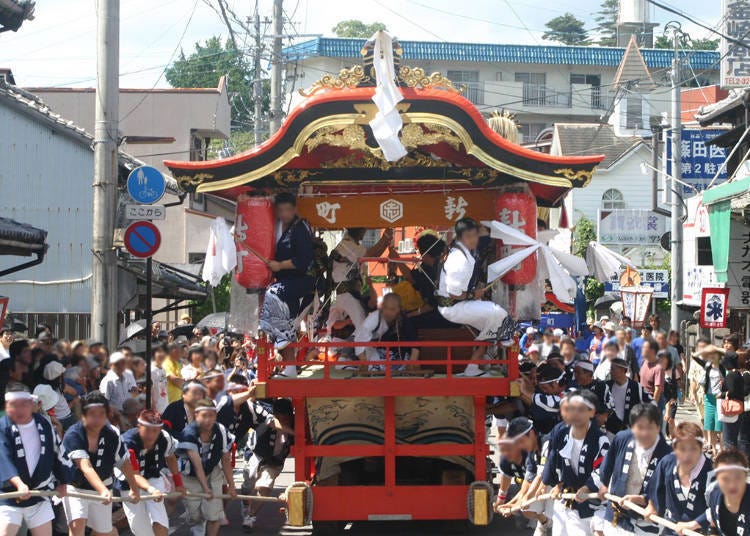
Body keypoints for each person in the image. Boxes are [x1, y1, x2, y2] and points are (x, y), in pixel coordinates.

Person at [580, 403, 671, 536]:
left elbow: (666, 489)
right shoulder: (622, 438)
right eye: (640, 428)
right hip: (618, 510)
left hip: (645, 517)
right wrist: (603, 485)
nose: (645, 433)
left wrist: (649, 502)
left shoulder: (667, 454)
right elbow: (606, 465)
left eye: (650, 428)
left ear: (658, 427)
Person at [436, 218, 510, 376]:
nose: (475, 240)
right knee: (498, 313)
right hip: (452, 307)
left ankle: (473, 367)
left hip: (459, 304)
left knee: (489, 324)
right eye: (471, 236)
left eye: (476, 235)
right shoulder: (458, 259)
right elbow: (453, 293)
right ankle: (503, 342)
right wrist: (473, 294)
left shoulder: (466, 254)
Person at [62, 391, 140, 536]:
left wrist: (134, 488)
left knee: (103, 532)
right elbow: (86, 467)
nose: (97, 418)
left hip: (105, 484)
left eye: (101, 413)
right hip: (76, 488)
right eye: (92, 413)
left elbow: (124, 462)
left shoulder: (112, 434)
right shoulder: (73, 434)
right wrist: (102, 490)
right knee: (77, 526)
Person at [0, 390, 71, 536]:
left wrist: (63, 481)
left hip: (40, 492)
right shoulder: (3, 426)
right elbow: (3, 458)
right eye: (14, 405)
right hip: (10, 493)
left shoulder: (43, 423)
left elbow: (57, 450)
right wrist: (19, 484)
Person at [260, 193, 315, 378]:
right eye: (281, 210)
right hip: (284, 282)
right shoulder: (274, 226)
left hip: (301, 281)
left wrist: (280, 265)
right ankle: (290, 368)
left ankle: (283, 339)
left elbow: (304, 260)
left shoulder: (300, 227)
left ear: (294, 209)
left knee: (273, 295)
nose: (284, 214)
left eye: (288, 210)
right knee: (285, 320)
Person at [542, 390, 610, 536]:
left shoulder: (600, 439)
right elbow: (554, 461)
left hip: (590, 502)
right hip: (566, 499)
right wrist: (557, 485)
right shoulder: (561, 432)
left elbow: (602, 470)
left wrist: (586, 487)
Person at [118, 409, 184, 536]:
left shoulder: (164, 438)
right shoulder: (127, 442)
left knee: (159, 521)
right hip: (129, 483)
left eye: (155, 430)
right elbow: (134, 474)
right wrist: (151, 490)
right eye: (148, 430)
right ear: (139, 426)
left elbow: (170, 457)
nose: (151, 435)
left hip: (153, 478)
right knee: (140, 529)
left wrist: (178, 482)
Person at [176, 399, 237, 536]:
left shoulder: (221, 430)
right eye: (204, 415)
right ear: (196, 415)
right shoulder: (188, 433)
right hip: (190, 475)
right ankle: (198, 523)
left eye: (211, 415)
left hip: (213, 472)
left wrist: (231, 486)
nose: (208, 420)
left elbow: (225, 460)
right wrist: (205, 488)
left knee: (214, 516)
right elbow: (197, 465)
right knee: (195, 515)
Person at [646, 422, 712, 536]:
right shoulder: (667, 463)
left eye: (693, 449)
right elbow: (654, 489)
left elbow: (721, 507)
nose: (687, 455)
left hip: (701, 531)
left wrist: (694, 524)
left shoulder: (712, 472)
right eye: (682, 449)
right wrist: (651, 505)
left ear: (701, 448)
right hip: (672, 527)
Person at [241, 398, 295, 530]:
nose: (283, 421)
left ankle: (250, 516)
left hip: (275, 460)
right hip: (256, 454)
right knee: (248, 485)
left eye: (286, 418)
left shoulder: (296, 422)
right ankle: (246, 504)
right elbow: (250, 404)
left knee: (264, 486)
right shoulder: (264, 416)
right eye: (279, 418)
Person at [327, 228, 392, 331]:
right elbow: (372, 255)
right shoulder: (348, 245)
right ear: (360, 231)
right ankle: (363, 346)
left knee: (358, 324)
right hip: (346, 294)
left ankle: (361, 345)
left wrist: (385, 241)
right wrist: (385, 238)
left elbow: (374, 255)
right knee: (363, 327)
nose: (365, 232)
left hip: (344, 293)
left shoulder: (348, 244)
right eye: (364, 230)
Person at [676, 449, 750, 536]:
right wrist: (692, 525)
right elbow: (712, 513)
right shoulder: (716, 494)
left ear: (745, 476)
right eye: (725, 479)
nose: (732, 484)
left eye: (737, 477)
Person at [354, 293, 420, 371]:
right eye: (385, 308)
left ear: (399, 309)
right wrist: (363, 362)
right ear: (382, 307)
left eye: (392, 309)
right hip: (377, 353)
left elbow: (415, 342)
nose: (388, 312)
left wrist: (412, 362)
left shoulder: (403, 320)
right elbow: (360, 340)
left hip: (399, 358)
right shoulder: (374, 319)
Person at [691, 344, 726, 455]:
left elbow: (730, 355)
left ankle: (721, 449)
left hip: (720, 398)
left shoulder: (723, 366)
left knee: (719, 425)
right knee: (709, 424)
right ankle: (713, 448)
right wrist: (706, 349)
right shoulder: (707, 366)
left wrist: (717, 348)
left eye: (714, 355)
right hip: (709, 397)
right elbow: (694, 356)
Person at [606, 359, 651, 434]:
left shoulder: (635, 386)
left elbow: (651, 404)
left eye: (613, 369)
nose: (610, 372)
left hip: (629, 431)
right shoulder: (607, 386)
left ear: (622, 370)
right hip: (610, 429)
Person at [638, 339, 664, 407]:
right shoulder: (643, 362)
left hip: (653, 400)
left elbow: (657, 390)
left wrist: (652, 406)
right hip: (642, 399)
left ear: (652, 351)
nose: (642, 349)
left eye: (644, 347)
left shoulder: (658, 368)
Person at [151, 344, 170, 414]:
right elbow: (150, 390)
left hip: (165, 407)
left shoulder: (163, 370)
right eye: (159, 352)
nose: (162, 354)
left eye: (164, 352)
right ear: (153, 353)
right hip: (157, 410)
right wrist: (154, 409)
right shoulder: (151, 370)